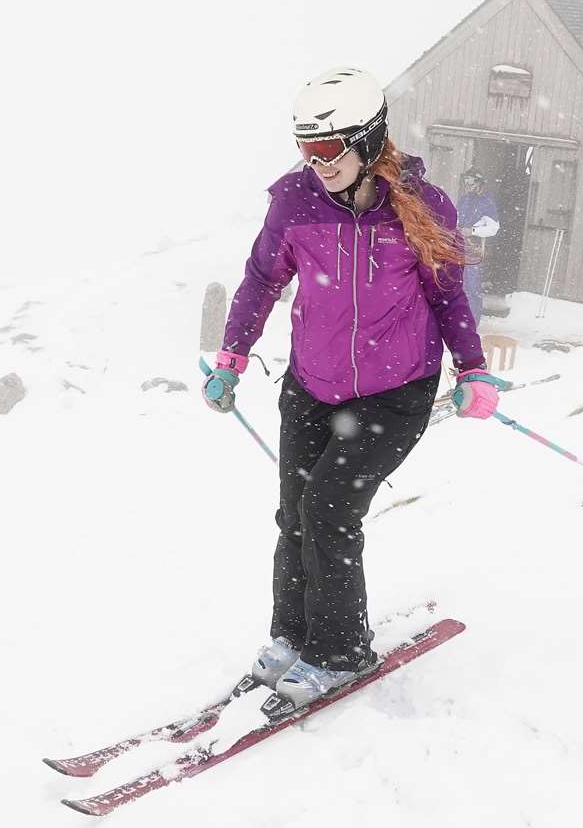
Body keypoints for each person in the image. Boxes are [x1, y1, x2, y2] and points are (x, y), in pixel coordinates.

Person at [201, 67, 503, 711]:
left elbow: (448, 296)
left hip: (396, 393)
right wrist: (232, 356)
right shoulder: (294, 204)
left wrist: (472, 369)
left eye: (330, 148)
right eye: (307, 149)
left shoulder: (422, 208)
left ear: (368, 139)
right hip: (312, 388)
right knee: (294, 517)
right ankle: (292, 635)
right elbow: (260, 282)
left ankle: (340, 652)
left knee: (329, 512)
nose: (318, 163)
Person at [456, 169, 501, 321]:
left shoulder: (486, 201)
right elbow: (456, 218)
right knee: (457, 284)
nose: (467, 184)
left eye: (470, 181)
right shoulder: (464, 199)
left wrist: (473, 230)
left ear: (479, 182)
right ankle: (458, 319)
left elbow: (494, 228)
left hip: (474, 248)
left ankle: (472, 321)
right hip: (458, 246)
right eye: (465, 181)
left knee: (472, 286)